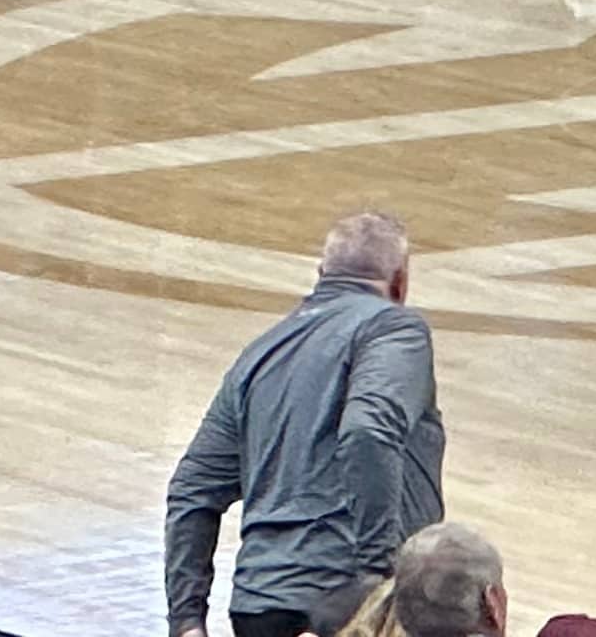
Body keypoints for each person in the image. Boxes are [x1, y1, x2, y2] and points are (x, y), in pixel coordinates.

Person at [161, 214, 445, 637]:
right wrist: (376, 575)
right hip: (350, 611)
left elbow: (192, 490)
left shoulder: (257, 357)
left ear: (321, 276)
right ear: (400, 282)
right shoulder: (393, 328)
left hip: (261, 606)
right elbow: (368, 432)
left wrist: (187, 621)